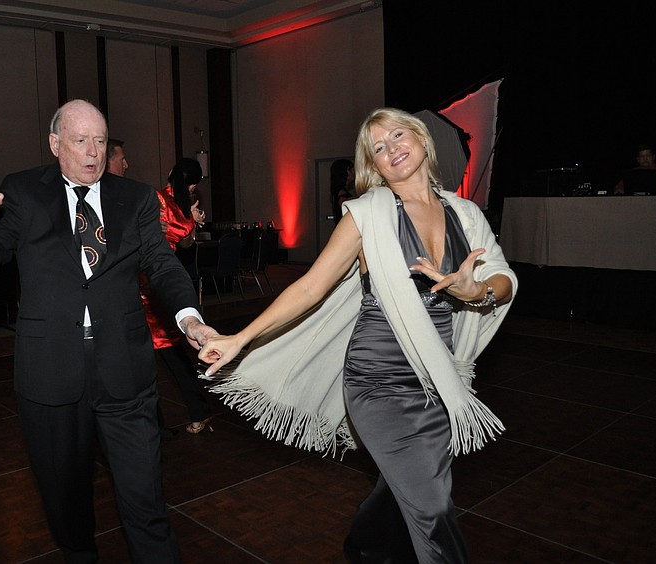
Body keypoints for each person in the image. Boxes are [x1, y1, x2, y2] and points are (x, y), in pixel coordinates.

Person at [198, 107, 518, 563]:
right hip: (378, 379)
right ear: (374, 165)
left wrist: (478, 290)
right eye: (378, 148)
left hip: (439, 381)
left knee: (406, 487)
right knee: (432, 505)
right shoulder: (368, 214)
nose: (391, 149)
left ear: (423, 141)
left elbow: (504, 277)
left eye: (398, 136)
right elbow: (310, 286)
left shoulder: (466, 214)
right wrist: (240, 338)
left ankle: (365, 546)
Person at [0, 99, 217, 563]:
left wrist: (188, 318)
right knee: (66, 504)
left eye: (100, 141)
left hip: (125, 372)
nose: (93, 152)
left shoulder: (134, 198)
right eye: (80, 141)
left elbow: (161, 264)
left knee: (146, 502)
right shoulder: (23, 192)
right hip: (51, 372)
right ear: (56, 144)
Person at [141, 157, 213, 434]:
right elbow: (184, 243)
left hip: (149, 282)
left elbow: (165, 236)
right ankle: (196, 411)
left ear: (171, 173)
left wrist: (189, 223)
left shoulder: (157, 199)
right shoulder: (184, 207)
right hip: (165, 282)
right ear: (193, 183)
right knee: (170, 351)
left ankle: (156, 423)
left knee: (157, 354)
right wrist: (191, 223)